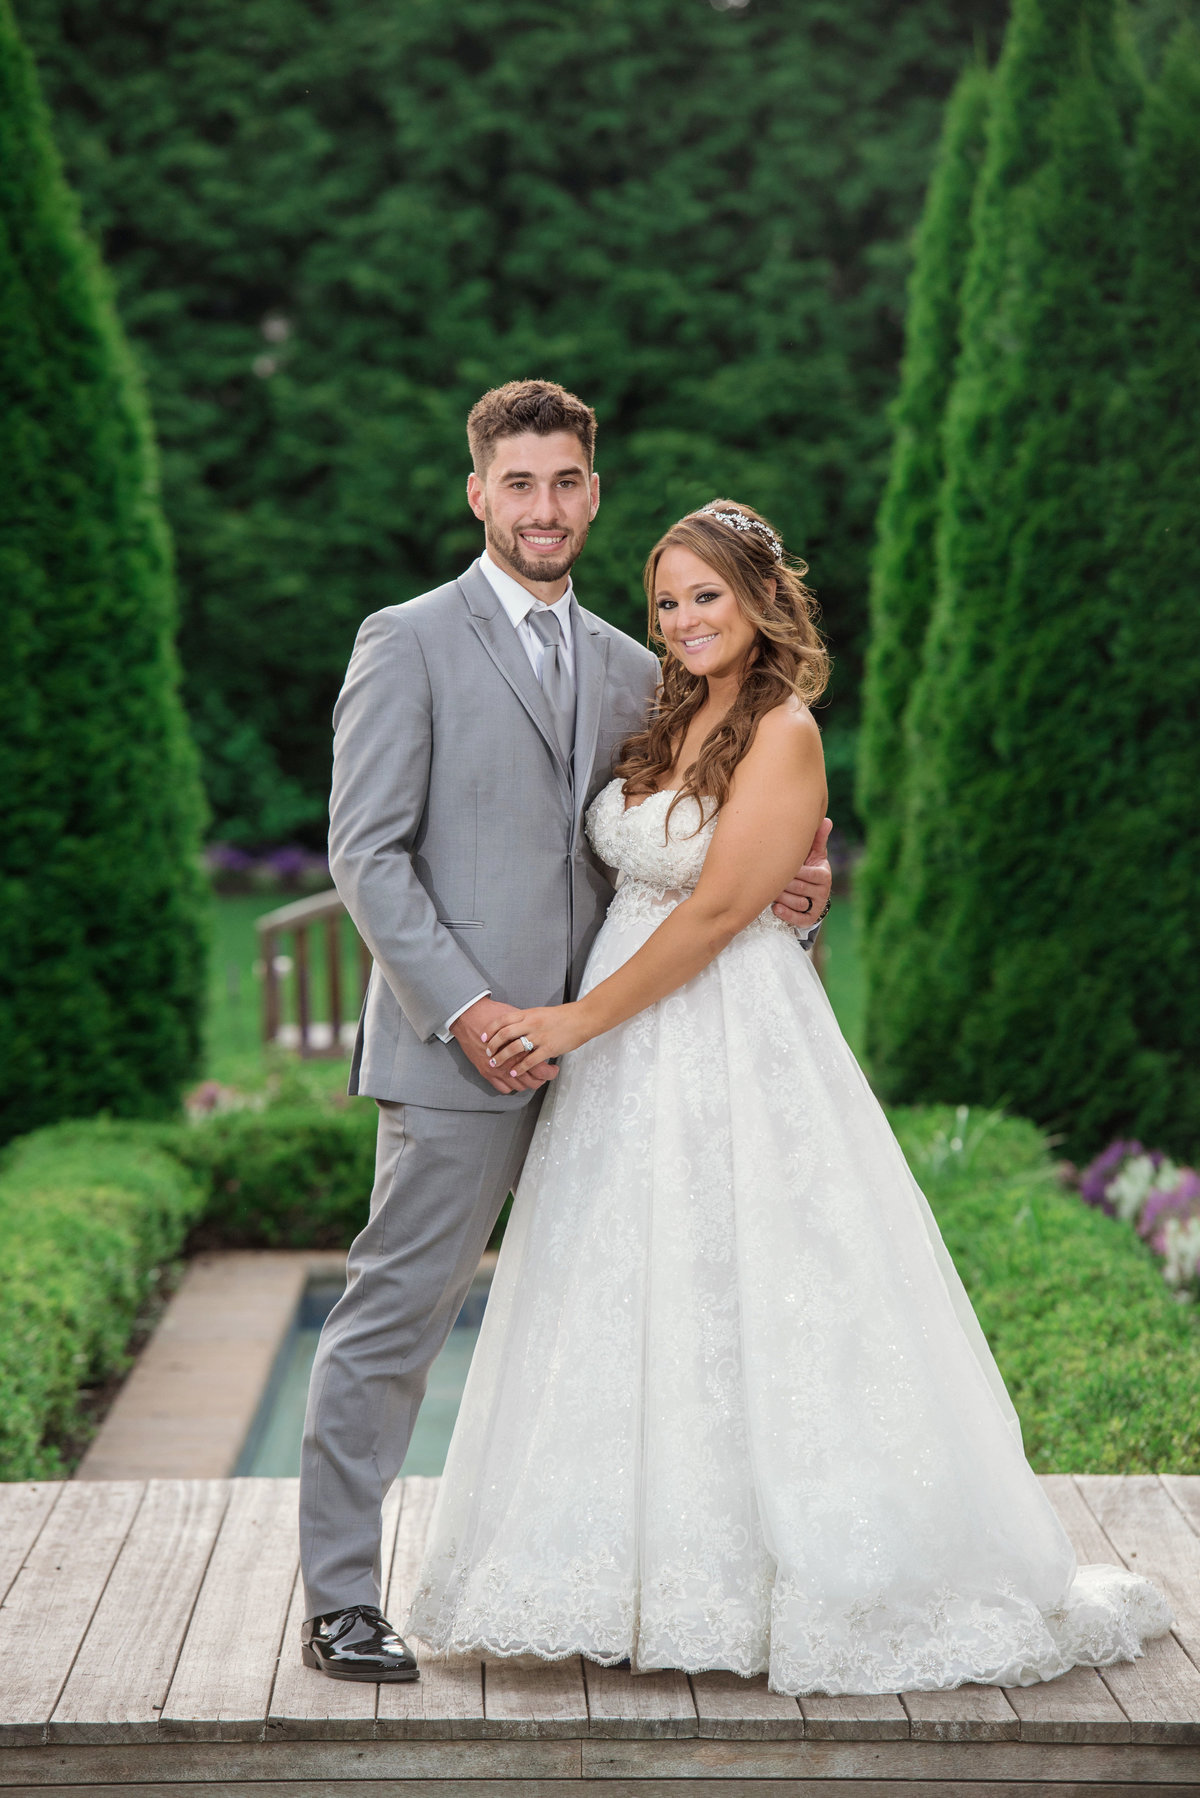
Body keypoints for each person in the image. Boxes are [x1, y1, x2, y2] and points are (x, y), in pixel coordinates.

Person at [405, 499, 1171, 1694]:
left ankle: (778, 1575)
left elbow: (717, 913)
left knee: (759, 1281)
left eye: (704, 595)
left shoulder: (785, 728)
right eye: (666, 600)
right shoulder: (665, 715)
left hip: (716, 1027)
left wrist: (575, 1020)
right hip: (627, 1053)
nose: (682, 619)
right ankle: (623, 1574)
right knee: (624, 1288)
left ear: (760, 601)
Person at [298, 382, 833, 1682]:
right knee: (395, 1313)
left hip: (627, 1057)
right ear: (479, 493)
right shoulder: (406, 639)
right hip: (461, 1049)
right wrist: (476, 1014)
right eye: (518, 483)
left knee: (645, 1320)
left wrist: (794, 889)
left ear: (593, 491)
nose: (545, 506)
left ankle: (661, 1582)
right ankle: (339, 1597)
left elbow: (686, 838)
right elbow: (366, 854)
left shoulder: (630, 664)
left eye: (567, 482)